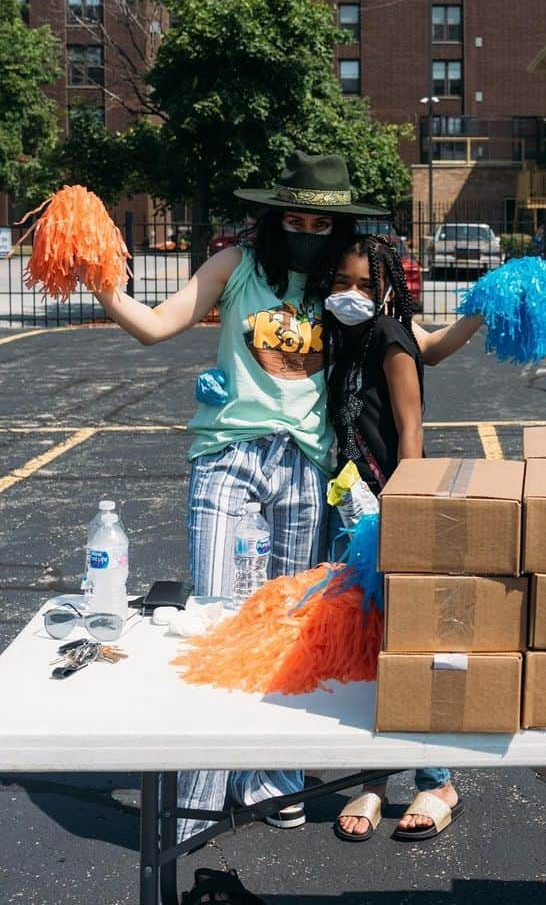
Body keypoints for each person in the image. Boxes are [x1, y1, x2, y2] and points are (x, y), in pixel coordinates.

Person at [91, 151, 392, 839]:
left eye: (323, 220)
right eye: (296, 216)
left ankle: (270, 781)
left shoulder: (341, 280)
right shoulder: (236, 265)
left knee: (288, 627)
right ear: (274, 214)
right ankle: (199, 792)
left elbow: (408, 344)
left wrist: (485, 312)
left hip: (305, 464)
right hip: (228, 454)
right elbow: (157, 324)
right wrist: (101, 283)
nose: (308, 229)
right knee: (216, 615)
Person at [321, 233, 466, 844]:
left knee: (405, 640)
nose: (351, 294)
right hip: (347, 505)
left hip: (385, 507)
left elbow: (411, 428)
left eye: (364, 285)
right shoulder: (343, 336)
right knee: (365, 645)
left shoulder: (389, 337)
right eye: (342, 283)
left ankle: (437, 780)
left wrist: (400, 515)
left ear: (385, 289)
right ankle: (375, 780)